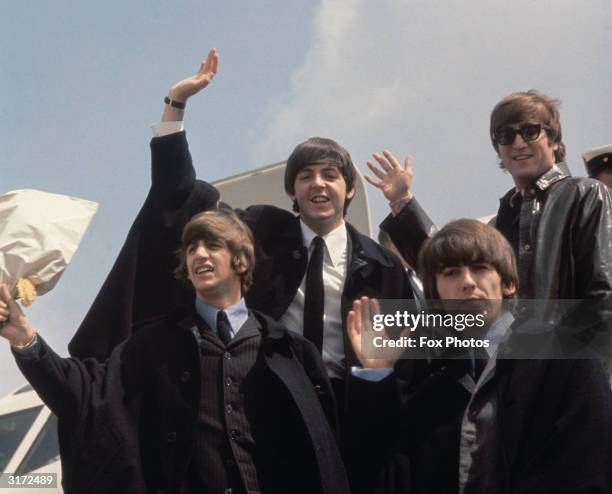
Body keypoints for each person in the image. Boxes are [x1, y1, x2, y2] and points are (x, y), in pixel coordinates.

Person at [70, 49, 413, 413]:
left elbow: (417, 355)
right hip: (260, 404)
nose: (318, 185)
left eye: (330, 175)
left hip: (348, 410)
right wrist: (176, 104)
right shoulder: (258, 232)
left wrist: (404, 207)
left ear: (350, 188)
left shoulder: (381, 267)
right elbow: (181, 195)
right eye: (305, 177)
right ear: (291, 191)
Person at [0, 209, 350, 494]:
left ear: (241, 260)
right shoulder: (152, 346)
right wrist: (25, 339)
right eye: (191, 248)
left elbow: (327, 453)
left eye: (212, 244)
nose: (199, 254)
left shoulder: (292, 352)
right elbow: (83, 392)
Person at [343, 219, 612, 494]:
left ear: (507, 283)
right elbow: (383, 476)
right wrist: (376, 375)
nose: (467, 283)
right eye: (450, 273)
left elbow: (586, 469)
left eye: (480, 268)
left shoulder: (563, 358)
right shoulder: (435, 390)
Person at [367, 90, 612, 302]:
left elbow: (602, 293)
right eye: (506, 136)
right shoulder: (503, 219)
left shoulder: (585, 194)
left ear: (554, 140)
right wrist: (401, 200)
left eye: (529, 132)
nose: (518, 143)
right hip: (512, 353)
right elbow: (442, 265)